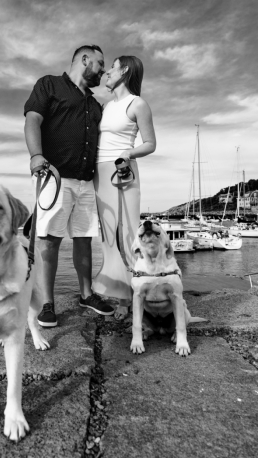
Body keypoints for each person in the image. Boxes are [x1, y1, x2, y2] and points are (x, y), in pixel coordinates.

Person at [23, 45, 115, 328]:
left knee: (85, 238)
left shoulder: (94, 104)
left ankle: (87, 294)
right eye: (100, 63)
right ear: (84, 60)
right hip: (56, 177)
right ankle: (47, 304)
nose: (103, 70)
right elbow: (33, 120)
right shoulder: (49, 85)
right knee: (49, 240)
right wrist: (36, 155)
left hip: (87, 181)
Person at [92, 56, 156, 320]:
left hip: (123, 170)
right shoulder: (106, 106)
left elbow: (150, 143)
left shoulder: (137, 103)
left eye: (113, 66)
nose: (107, 71)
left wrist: (128, 153)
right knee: (107, 234)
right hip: (99, 171)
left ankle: (133, 297)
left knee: (128, 234)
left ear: (125, 70)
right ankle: (120, 293)